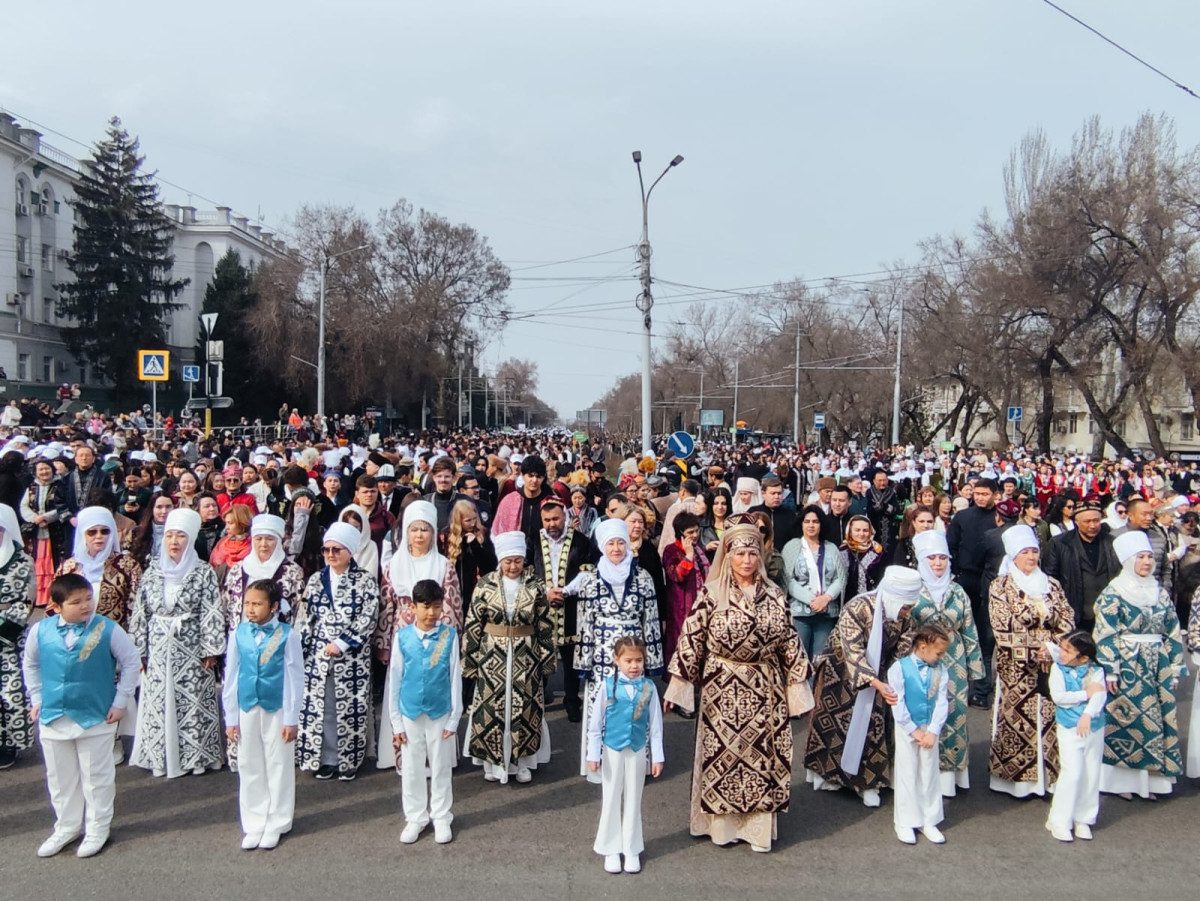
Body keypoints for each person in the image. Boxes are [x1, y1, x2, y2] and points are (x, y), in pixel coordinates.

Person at [664, 523, 812, 851]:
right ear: (728, 555)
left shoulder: (774, 594)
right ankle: (723, 829)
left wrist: (797, 688)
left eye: (753, 553)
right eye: (740, 553)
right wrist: (679, 686)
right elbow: (691, 637)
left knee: (763, 758)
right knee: (724, 758)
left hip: (765, 685)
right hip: (722, 688)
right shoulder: (713, 593)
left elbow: (790, 640)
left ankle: (757, 830)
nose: (747, 560)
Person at [22, 573, 140, 858]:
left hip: (94, 714)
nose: (86, 605)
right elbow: (31, 665)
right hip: (53, 716)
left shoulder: (107, 629)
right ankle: (66, 826)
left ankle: (98, 827)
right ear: (56, 606)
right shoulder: (40, 631)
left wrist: (120, 701)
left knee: (96, 775)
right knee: (60, 778)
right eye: (76, 602)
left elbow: (131, 662)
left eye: (88, 598)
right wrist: (36, 698)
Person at [803, 566, 921, 806]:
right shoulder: (858, 608)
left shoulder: (906, 619)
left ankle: (867, 781)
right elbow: (852, 650)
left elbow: (902, 652)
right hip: (841, 671)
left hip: (881, 674)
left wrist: (891, 681)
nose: (908, 613)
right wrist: (875, 682)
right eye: (906, 606)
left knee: (873, 725)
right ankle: (830, 775)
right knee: (836, 724)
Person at [128, 508, 225, 777]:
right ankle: (160, 756)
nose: (174, 542)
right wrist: (140, 649)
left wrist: (211, 649)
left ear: (191, 538)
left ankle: (197, 757)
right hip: (158, 645)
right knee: (158, 700)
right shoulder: (153, 571)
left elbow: (212, 609)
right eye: (170, 535)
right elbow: (141, 611)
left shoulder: (203, 571)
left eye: (181, 536)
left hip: (192, 645)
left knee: (192, 700)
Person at [571, 519, 663, 783]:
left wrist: (654, 658)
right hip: (602, 654)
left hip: (633, 651)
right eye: (610, 543)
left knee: (635, 704)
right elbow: (585, 621)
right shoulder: (590, 580)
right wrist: (583, 661)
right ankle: (600, 764)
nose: (616, 548)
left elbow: (651, 618)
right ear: (602, 546)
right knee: (606, 706)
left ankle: (637, 764)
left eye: (620, 542)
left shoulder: (643, 577)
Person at [1095, 530, 1185, 799]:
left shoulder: (1159, 592)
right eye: (1140, 557)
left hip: (1158, 662)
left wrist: (1176, 665)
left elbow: (1172, 630)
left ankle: (1152, 780)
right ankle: (1122, 782)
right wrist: (1110, 668)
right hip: (1128, 664)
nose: (1146, 562)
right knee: (1127, 721)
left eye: (1149, 557)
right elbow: (1105, 632)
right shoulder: (1114, 593)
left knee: (1158, 719)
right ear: (1128, 561)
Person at [988, 524, 1076, 797]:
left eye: (1034, 551)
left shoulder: (1052, 585)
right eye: (1025, 552)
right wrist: (1033, 650)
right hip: (1016, 664)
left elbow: (1067, 618)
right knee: (1016, 717)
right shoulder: (1001, 586)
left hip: (1051, 661)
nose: (1031, 557)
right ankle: (1016, 779)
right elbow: (1002, 625)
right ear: (1013, 556)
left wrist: (1053, 648)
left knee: (1049, 717)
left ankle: (1046, 776)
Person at [463, 531, 556, 784]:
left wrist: (547, 659)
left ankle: (522, 762)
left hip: (526, 654)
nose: (513, 566)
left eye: (517, 560)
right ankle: (492, 762)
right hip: (492, 653)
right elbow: (473, 623)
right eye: (508, 561)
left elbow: (546, 625)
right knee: (492, 707)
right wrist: (470, 660)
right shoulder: (485, 584)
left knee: (524, 706)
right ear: (500, 560)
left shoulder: (535, 585)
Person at [222, 579, 303, 851]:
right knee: (249, 762)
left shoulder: (288, 634)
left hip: (276, 706)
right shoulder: (238, 633)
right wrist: (230, 717)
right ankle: (254, 821)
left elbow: (295, 678)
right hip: (247, 705)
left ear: (274, 606)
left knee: (278, 762)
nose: (251, 609)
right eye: (247, 603)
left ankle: (278, 821)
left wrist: (291, 717)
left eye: (257, 604)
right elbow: (231, 675)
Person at [296, 521, 380, 781]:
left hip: (351, 656)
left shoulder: (365, 580)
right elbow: (304, 616)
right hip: (319, 654)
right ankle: (324, 760)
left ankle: (349, 761)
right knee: (321, 708)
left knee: (349, 708)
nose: (331, 555)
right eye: (327, 550)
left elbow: (369, 615)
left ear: (350, 552)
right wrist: (302, 647)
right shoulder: (315, 580)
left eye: (337, 550)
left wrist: (344, 642)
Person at [906, 529, 983, 796]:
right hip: (921, 660)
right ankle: (920, 774)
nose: (938, 564)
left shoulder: (957, 591)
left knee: (954, 713)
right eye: (932, 559)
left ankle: (950, 777)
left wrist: (974, 668)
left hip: (954, 660)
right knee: (922, 713)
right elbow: (904, 626)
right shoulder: (914, 587)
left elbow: (970, 629)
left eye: (942, 558)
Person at [390, 579, 462, 845]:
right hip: (410, 712)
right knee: (411, 768)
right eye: (425, 607)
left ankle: (442, 816)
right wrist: (395, 722)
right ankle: (416, 817)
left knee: (441, 766)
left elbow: (455, 676)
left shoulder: (449, 636)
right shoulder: (402, 637)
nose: (431, 613)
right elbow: (395, 678)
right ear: (413, 606)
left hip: (439, 711)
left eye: (436, 607)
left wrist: (454, 717)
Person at [587, 635, 664, 874]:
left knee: (633, 797)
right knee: (611, 796)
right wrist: (593, 754)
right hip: (612, 749)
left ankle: (631, 848)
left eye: (638, 660)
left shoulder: (648, 688)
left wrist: (657, 756)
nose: (634, 666)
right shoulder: (607, 686)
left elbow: (656, 724)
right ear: (616, 660)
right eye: (628, 660)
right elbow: (595, 723)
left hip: (638, 749)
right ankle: (610, 847)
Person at [530, 497, 592, 723]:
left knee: (570, 659)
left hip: (571, 606)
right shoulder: (534, 541)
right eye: (546, 520)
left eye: (555, 518)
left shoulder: (581, 541)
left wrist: (565, 591)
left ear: (565, 517)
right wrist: (546, 591)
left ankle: (572, 701)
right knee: (539, 656)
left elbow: (587, 570)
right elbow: (528, 571)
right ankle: (538, 699)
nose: (551, 524)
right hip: (541, 607)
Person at [887, 622, 951, 845]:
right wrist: (914, 731)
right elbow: (897, 703)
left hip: (929, 727)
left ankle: (929, 819)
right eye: (939, 652)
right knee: (907, 771)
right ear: (923, 646)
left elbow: (942, 702)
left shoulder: (941, 670)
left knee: (929, 771)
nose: (941, 657)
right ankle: (905, 821)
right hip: (908, 728)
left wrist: (933, 731)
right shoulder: (899, 668)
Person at [1044, 630, 1107, 843]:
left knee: (1091, 772)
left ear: (1084, 658)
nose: (1061, 653)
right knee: (1072, 772)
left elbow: (1100, 694)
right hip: (1069, 727)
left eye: (1068, 650)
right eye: (1062, 647)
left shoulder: (1095, 670)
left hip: (1094, 728)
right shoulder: (1058, 670)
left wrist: (1088, 714)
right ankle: (1060, 820)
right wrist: (1084, 695)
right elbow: (1059, 697)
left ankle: (1084, 818)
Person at [947, 477, 1000, 708]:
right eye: (976, 493)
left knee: (986, 638)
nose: (979, 497)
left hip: (990, 581)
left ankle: (982, 690)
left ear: (994, 495)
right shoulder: (962, 517)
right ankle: (955, 685)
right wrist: (957, 573)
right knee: (960, 634)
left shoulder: (999, 518)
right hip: (965, 579)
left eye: (984, 494)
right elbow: (951, 546)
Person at [1042, 497, 1121, 634]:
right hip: (1075, 613)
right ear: (1076, 522)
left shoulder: (1112, 543)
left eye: (1096, 520)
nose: (1092, 525)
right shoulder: (1060, 544)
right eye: (1087, 521)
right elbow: (1049, 579)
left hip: (1108, 613)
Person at [56, 506, 142, 630]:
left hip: (113, 641)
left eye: (105, 531)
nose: (99, 536)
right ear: (82, 533)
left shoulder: (128, 567)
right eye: (92, 532)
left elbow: (135, 610)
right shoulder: (68, 568)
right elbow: (55, 607)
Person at [782, 504, 846, 662]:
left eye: (815, 521)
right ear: (801, 524)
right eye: (807, 521)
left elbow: (840, 578)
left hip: (826, 612)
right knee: (799, 658)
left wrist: (826, 598)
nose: (811, 525)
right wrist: (812, 600)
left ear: (821, 524)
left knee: (821, 659)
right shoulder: (791, 547)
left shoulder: (831, 548)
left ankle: (817, 688)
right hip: (800, 612)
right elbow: (787, 580)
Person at [223, 514, 305, 637]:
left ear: (278, 541)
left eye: (270, 539)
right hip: (241, 637)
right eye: (258, 538)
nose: (263, 544)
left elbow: (299, 611)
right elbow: (226, 606)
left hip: (277, 641)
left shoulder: (292, 571)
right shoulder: (238, 570)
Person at [0, 504, 34, 769]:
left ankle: (8, 745)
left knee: (11, 694)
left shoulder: (22, 561)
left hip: (8, 640)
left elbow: (26, 601)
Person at [20, 459, 69, 607]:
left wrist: (46, 517)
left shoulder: (60, 485)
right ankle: (39, 597)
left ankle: (53, 597)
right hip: (37, 532)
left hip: (55, 530)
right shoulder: (31, 487)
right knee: (38, 563)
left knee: (54, 562)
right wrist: (34, 518)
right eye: (40, 470)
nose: (44, 472)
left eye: (46, 469)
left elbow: (63, 505)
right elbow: (23, 506)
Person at [839, 515, 887, 603]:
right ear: (850, 531)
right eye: (857, 530)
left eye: (865, 530)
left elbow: (882, 578)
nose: (861, 534)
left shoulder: (877, 551)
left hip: (869, 602)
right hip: (845, 602)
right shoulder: (842, 550)